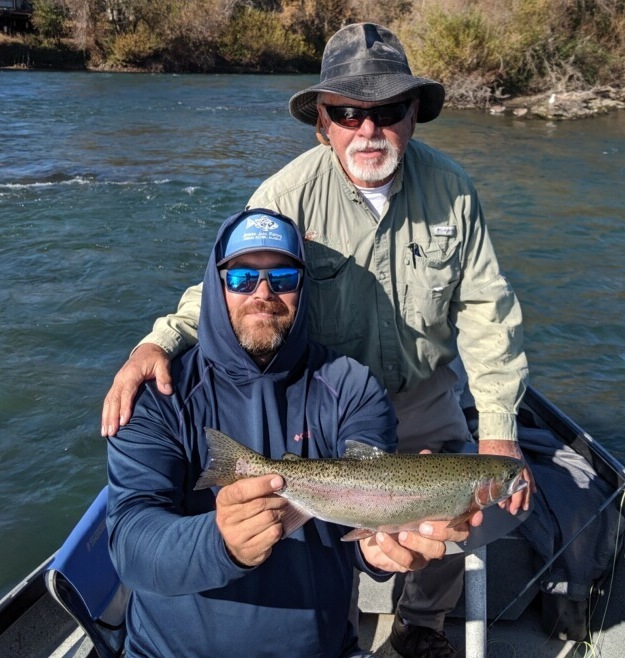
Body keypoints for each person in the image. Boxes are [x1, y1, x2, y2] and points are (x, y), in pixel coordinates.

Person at [102, 23, 534, 658]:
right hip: (331, 402)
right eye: (348, 112)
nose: (368, 129)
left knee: (458, 518)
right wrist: (158, 342)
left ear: (413, 114)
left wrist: (498, 427)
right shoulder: (284, 196)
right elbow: (238, 286)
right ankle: (343, 610)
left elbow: (487, 312)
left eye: (387, 110)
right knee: (341, 519)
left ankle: (422, 623)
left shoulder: (453, 191)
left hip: (419, 393)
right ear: (323, 123)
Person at [106, 208, 472, 658]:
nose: (263, 293)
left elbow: (361, 528)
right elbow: (129, 542)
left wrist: (379, 551)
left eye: (282, 278)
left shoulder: (351, 386)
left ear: (304, 285)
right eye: (242, 278)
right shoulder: (158, 392)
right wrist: (219, 543)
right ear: (215, 285)